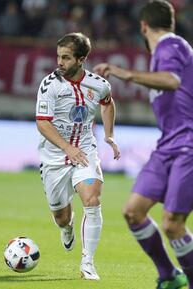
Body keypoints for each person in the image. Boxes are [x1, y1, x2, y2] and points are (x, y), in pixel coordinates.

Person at [93, 1, 192, 288]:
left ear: (143, 26)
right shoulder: (163, 51)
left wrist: (126, 73)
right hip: (168, 145)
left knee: (173, 223)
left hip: (188, 145)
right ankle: (169, 276)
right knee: (133, 212)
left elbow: (171, 81)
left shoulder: (170, 45)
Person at [36, 32, 120, 280]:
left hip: (84, 150)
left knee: (92, 201)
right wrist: (67, 149)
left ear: (81, 59)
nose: (59, 62)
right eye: (58, 56)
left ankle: (88, 263)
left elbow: (107, 103)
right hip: (54, 158)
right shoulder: (49, 85)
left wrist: (109, 135)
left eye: (66, 57)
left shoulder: (99, 84)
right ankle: (68, 227)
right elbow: (43, 124)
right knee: (61, 217)